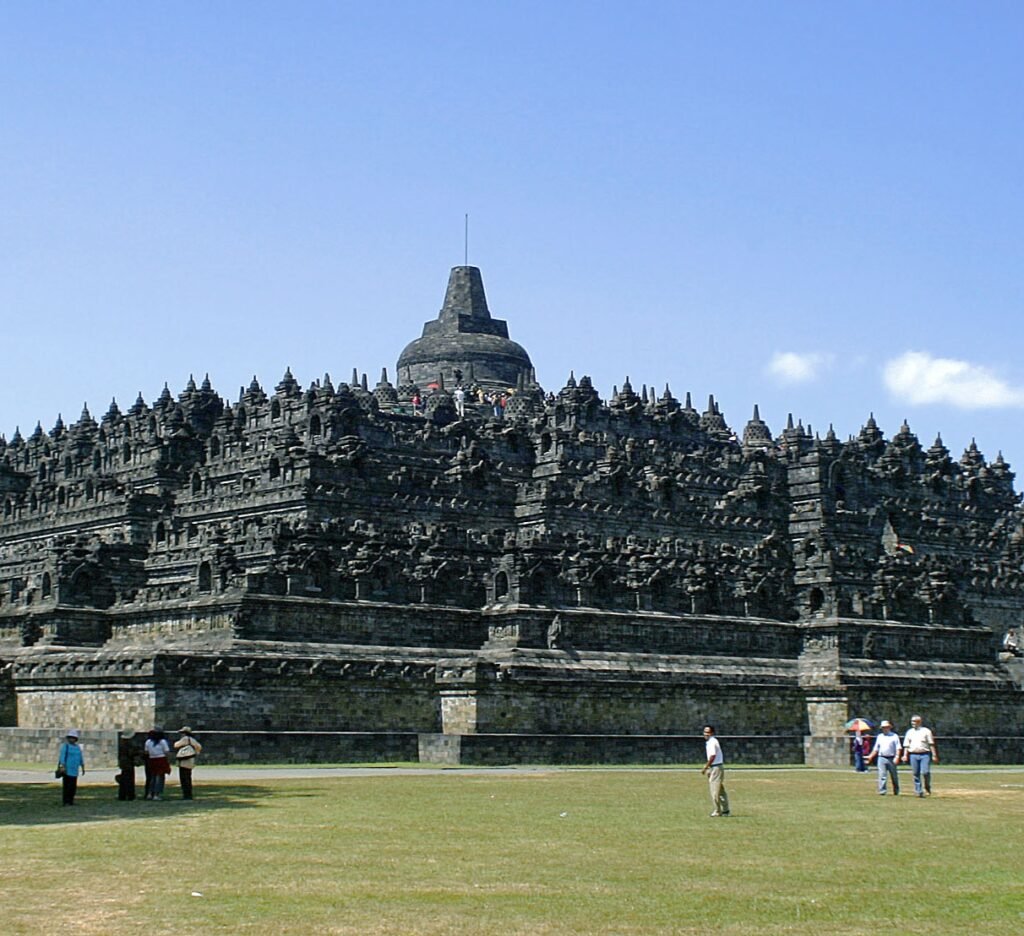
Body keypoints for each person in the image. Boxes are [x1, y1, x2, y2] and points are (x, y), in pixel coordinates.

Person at [901, 714, 939, 797]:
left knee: (925, 772)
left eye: (914, 721)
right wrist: (905, 755)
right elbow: (906, 745)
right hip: (913, 754)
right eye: (912, 721)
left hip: (924, 754)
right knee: (915, 773)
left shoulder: (926, 731)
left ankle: (927, 787)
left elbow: (931, 744)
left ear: (919, 722)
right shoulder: (909, 732)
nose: (913, 723)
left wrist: (934, 755)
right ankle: (918, 791)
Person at [866, 719, 903, 795]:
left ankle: (896, 790)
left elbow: (898, 748)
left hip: (891, 758)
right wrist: (870, 756)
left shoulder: (894, 736)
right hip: (881, 757)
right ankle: (882, 791)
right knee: (882, 775)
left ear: (889, 727)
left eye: (886, 727)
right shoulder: (880, 736)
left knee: (894, 776)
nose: (885, 729)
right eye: (883, 727)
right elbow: (876, 748)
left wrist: (897, 757)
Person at [701, 725, 730, 817]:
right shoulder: (710, 742)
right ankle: (725, 810)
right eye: (704, 732)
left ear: (712, 733)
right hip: (714, 767)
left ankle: (718, 811)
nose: (706, 734)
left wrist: (706, 767)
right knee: (720, 790)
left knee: (714, 790)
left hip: (716, 767)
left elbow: (712, 756)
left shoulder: (712, 742)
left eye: (708, 732)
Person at [56, 729, 85, 806]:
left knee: (73, 787)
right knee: (67, 786)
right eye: (70, 737)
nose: (72, 739)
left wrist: (82, 766)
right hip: (67, 770)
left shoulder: (77, 747)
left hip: (74, 770)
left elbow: (80, 757)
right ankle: (66, 801)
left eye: (73, 738)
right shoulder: (66, 746)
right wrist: (62, 766)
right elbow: (62, 757)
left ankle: (71, 800)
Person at [173, 726, 203, 800]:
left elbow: (176, 745)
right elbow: (199, 747)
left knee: (183, 778)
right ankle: (189, 794)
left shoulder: (185, 739)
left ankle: (186, 794)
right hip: (190, 760)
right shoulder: (192, 740)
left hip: (184, 761)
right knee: (188, 777)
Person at [144, 728, 171, 800]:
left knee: (152, 777)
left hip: (152, 759)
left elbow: (146, 752)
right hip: (161, 759)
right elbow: (166, 752)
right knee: (159, 777)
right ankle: (156, 794)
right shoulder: (162, 742)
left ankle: (150, 793)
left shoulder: (148, 742)